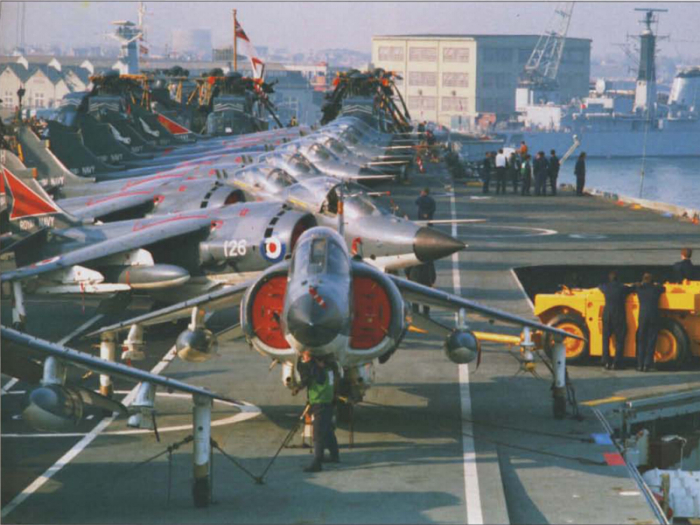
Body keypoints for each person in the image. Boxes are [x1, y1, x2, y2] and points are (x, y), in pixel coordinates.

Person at [297, 351, 339, 471]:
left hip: (320, 403)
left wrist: (307, 360)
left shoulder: (319, 372)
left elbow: (308, 373)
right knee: (327, 430)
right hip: (326, 402)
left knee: (318, 433)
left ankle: (317, 462)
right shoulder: (330, 369)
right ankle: (334, 455)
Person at [598, 271, 634, 370]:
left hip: (607, 315)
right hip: (619, 315)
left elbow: (600, 286)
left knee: (605, 338)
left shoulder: (605, 287)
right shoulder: (622, 288)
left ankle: (606, 361)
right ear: (618, 279)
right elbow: (632, 288)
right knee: (620, 339)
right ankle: (617, 362)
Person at [634, 273, 666, 372]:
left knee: (641, 341)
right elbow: (663, 288)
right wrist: (656, 284)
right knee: (651, 341)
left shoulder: (640, 289)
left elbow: (632, 287)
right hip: (653, 316)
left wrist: (639, 284)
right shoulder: (656, 289)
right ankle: (647, 364)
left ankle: (639, 364)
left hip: (643, 317)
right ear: (652, 281)